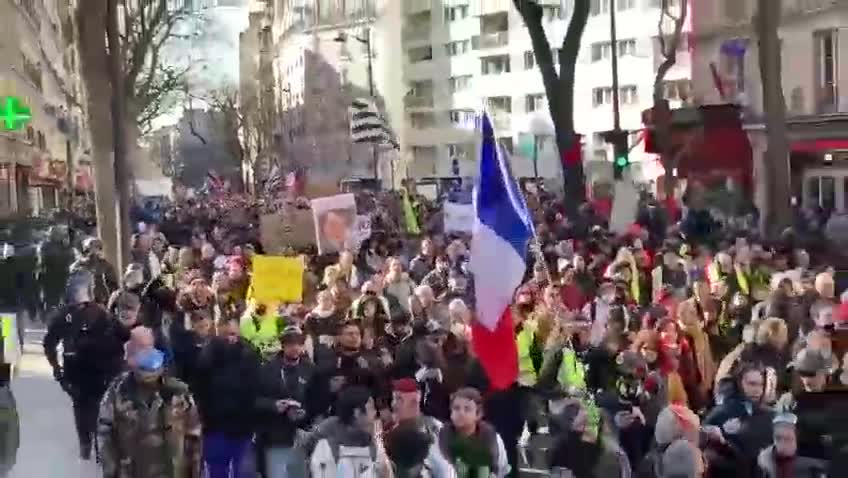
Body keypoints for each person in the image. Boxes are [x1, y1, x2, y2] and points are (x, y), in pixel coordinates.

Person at [43, 270, 128, 459]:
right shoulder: (68, 316)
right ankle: (88, 443)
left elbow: (122, 337)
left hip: (98, 371)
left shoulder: (101, 313)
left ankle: (93, 443)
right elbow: (49, 344)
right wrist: (57, 370)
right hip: (82, 371)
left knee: (91, 408)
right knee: (85, 407)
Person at [97, 346, 202, 477]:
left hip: (171, 470)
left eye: (153, 372)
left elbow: (194, 434)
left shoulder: (178, 393)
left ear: (162, 369)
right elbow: (105, 432)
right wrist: (110, 470)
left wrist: (194, 471)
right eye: (144, 372)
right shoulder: (119, 392)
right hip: (131, 470)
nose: (149, 377)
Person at [193, 317, 262, 478]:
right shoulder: (206, 356)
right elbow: (199, 390)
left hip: (242, 426)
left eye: (233, 334)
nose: (230, 338)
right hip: (215, 427)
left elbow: (256, 389)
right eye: (226, 335)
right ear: (218, 332)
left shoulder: (250, 355)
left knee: (243, 472)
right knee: (217, 471)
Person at [255, 326, 315, 478]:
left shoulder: (310, 369)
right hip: (274, 437)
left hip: (301, 438)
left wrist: (305, 412)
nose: (295, 347)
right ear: (283, 345)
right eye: (290, 343)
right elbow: (253, 400)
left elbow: (317, 401)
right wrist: (274, 405)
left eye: (298, 343)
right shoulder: (267, 370)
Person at [308, 385, 391, 477]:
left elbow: (382, 469)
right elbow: (308, 443)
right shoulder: (330, 426)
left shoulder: (372, 435)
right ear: (357, 413)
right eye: (371, 408)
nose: (375, 413)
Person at [432, 387, 511, 477]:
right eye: (456, 408)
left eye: (467, 409)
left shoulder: (494, 439)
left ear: (478, 414)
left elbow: (502, 471)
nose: (461, 413)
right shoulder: (439, 439)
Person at [755, 413, 827, 478]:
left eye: (788, 439)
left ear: (797, 438)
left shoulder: (814, 463)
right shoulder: (764, 460)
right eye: (778, 438)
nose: (782, 444)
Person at [70, 237, 119, 306]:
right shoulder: (78, 265)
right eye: (91, 249)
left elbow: (113, 285)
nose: (94, 251)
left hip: (101, 301)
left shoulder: (105, 266)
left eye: (97, 248)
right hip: (82, 302)